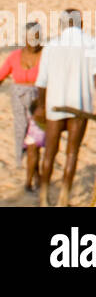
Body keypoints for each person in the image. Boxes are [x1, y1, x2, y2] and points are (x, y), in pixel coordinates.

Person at [34, 10, 96, 207]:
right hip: (80, 106)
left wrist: (40, 106)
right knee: (72, 153)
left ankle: (44, 198)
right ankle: (63, 199)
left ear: (62, 25)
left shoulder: (51, 46)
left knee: (50, 152)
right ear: (80, 23)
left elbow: (42, 82)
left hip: (55, 104)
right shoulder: (92, 43)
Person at [0, 22, 45, 194]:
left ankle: (30, 181)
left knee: (34, 142)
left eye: (36, 37)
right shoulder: (14, 56)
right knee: (24, 139)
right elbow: (1, 76)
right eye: (30, 37)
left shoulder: (46, 56)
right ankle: (36, 175)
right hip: (19, 105)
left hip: (39, 104)